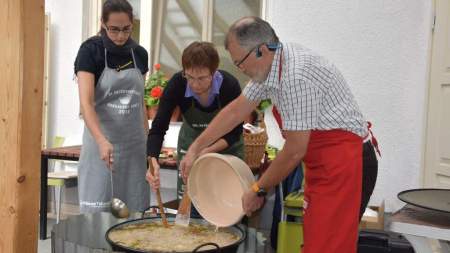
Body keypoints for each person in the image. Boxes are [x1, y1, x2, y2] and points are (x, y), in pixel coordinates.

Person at [180, 17, 378, 253]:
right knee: (317, 241)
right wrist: (195, 148)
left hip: (345, 162)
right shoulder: (271, 68)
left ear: (261, 51)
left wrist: (258, 189)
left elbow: (295, 150)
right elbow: (235, 111)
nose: (240, 69)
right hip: (323, 164)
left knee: (329, 247)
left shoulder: (296, 77)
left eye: (240, 62)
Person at [145, 42, 244, 213]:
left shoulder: (229, 85)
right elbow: (159, 126)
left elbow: (235, 132)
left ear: (213, 72)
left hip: (227, 149)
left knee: (226, 207)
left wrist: (205, 151)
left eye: (202, 78)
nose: (195, 84)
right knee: (191, 208)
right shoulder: (178, 83)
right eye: (190, 77)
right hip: (189, 143)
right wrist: (152, 160)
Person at [74, 0, 150, 213]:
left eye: (126, 29)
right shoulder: (90, 51)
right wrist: (101, 140)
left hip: (134, 147)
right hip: (102, 146)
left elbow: (139, 103)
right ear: (103, 24)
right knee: (98, 215)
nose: (120, 36)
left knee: (133, 214)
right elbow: (86, 104)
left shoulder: (140, 54)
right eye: (114, 29)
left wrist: (149, 143)